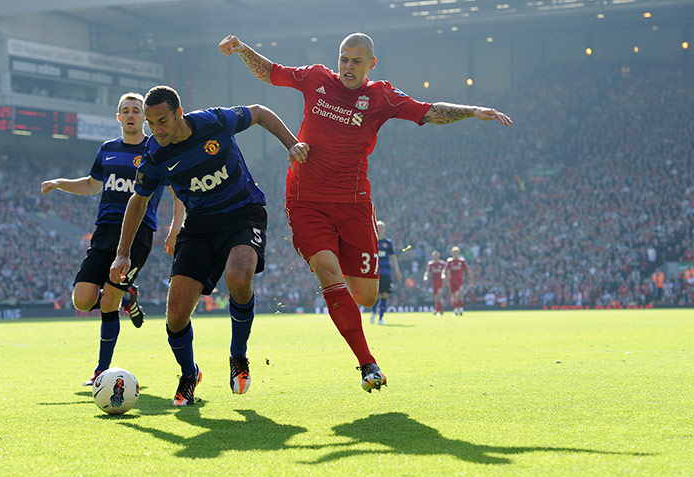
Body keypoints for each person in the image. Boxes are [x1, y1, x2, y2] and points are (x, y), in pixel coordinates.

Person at [219, 32, 511, 392]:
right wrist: (243, 49)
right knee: (327, 271)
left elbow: (428, 111)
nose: (347, 66)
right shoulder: (315, 78)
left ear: (371, 64)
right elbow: (270, 72)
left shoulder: (381, 97)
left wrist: (473, 111)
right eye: (343, 58)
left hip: (355, 204)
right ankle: (367, 364)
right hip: (306, 200)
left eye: (356, 60)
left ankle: (337, 273)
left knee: (367, 296)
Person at [109, 85, 308, 406]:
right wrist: (122, 252)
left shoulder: (215, 121)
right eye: (150, 122)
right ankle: (189, 373)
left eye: (162, 121)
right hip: (199, 226)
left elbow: (259, 112)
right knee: (175, 315)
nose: (156, 130)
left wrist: (292, 143)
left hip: (243, 213)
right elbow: (138, 200)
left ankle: (238, 356)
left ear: (178, 114)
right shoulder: (155, 155)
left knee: (239, 276)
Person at [41, 92, 185, 386]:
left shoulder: (157, 149)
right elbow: (93, 185)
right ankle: (128, 296)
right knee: (82, 300)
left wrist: (174, 229)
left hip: (137, 234)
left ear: (143, 117)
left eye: (135, 110)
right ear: (119, 118)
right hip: (104, 231)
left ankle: (101, 370)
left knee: (108, 302)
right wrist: (59, 183)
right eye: (126, 110)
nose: (131, 115)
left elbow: (178, 193)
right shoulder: (107, 149)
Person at [369, 220, 402, 325]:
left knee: (384, 294)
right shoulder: (371, 241)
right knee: (376, 295)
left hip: (386, 272)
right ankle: (374, 312)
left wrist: (397, 270)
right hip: (374, 273)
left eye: (382, 227)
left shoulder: (388, 243)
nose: (380, 229)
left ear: (385, 229)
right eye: (378, 227)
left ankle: (381, 318)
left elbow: (393, 257)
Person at [444, 246, 472, 317]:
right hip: (452, 281)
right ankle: (455, 310)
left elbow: (467, 270)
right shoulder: (449, 261)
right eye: (454, 252)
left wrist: (471, 279)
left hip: (460, 281)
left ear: (459, 253)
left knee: (460, 295)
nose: (455, 254)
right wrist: (444, 276)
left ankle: (461, 309)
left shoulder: (462, 261)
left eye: (456, 252)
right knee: (454, 296)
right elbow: (445, 270)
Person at [423, 250, 446, 316]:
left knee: (439, 295)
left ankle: (436, 310)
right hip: (434, 281)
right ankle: (441, 310)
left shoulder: (442, 263)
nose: (435, 257)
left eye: (436, 256)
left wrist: (444, 277)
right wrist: (425, 276)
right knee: (436, 297)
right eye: (434, 256)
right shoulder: (430, 264)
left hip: (440, 281)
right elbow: (427, 271)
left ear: (439, 256)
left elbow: (444, 271)